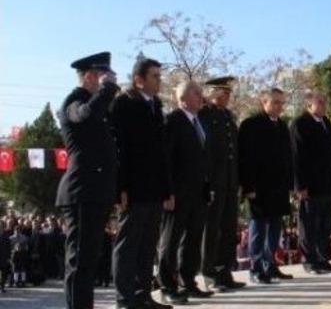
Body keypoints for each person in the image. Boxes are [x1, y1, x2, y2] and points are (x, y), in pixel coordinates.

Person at [56, 51, 120, 309]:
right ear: (87, 76)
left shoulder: (98, 104)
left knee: (89, 261)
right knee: (79, 261)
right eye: (99, 76)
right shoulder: (74, 102)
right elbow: (85, 116)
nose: (103, 81)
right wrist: (108, 90)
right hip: (81, 191)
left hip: (96, 191)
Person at [110, 57, 173, 309]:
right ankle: (125, 298)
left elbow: (162, 153)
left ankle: (143, 294)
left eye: (160, 75)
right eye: (155, 76)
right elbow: (119, 149)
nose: (160, 80)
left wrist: (167, 189)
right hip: (133, 188)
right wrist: (120, 188)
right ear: (139, 80)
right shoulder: (123, 105)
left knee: (148, 245)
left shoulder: (156, 105)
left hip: (154, 188)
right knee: (128, 245)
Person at [157, 81, 213, 304]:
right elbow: (166, 160)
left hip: (198, 192)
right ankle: (166, 284)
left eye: (200, 93)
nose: (201, 96)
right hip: (177, 193)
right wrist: (167, 191)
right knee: (170, 240)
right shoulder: (173, 121)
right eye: (196, 93)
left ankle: (187, 280)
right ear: (182, 99)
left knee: (193, 238)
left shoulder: (200, 122)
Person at [238, 88, 295, 283]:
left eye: (281, 102)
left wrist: (289, 184)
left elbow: (288, 158)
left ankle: (270, 265)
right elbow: (245, 158)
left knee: (275, 229)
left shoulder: (282, 126)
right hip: (259, 187)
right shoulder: (251, 125)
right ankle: (256, 268)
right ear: (264, 103)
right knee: (258, 228)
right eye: (275, 102)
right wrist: (248, 186)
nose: (280, 106)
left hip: (278, 187)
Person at [198, 76, 245, 292]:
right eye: (223, 93)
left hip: (229, 182)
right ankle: (210, 273)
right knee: (212, 230)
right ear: (213, 93)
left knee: (228, 229)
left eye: (228, 93)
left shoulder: (228, 117)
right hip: (214, 182)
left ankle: (225, 272)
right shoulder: (205, 114)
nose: (227, 97)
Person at [291, 91, 331, 275]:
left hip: (328, 185)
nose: (323, 105)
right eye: (319, 102)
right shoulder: (300, 124)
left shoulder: (327, 123)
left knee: (325, 224)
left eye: (324, 102)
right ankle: (309, 260)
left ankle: (322, 258)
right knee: (309, 225)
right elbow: (297, 157)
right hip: (311, 186)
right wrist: (300, 186)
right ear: (309, 105)